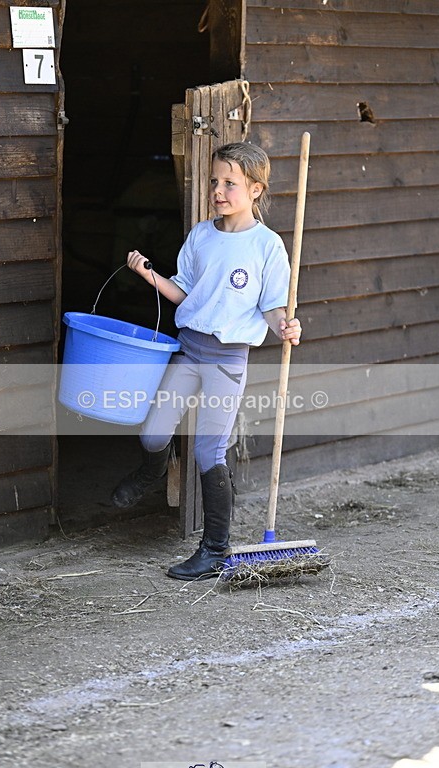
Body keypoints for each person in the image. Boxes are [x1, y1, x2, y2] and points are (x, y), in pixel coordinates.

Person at [111, 142, 302, 580]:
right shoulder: (200, 235)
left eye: (230, 183)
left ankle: (215, 548)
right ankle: (150, 473)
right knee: (154, 434)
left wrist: (286, 326)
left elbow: (274, 309)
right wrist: (148, 275)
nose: (218, 190)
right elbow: (184, 293)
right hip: (189, 348)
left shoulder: (267, 247)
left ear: (255, 190)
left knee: (207, 449)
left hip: (227, 359)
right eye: (214, 181)